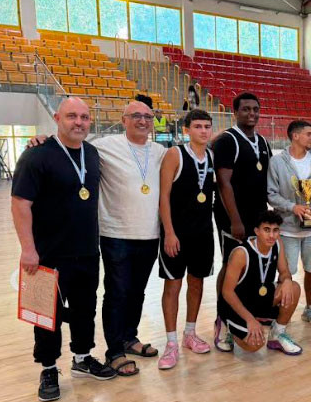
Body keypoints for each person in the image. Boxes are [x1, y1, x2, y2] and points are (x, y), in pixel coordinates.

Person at [12, 97, 116, 402]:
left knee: (85, 309)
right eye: (72, 116)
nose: (79, 122)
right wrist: (27, 249)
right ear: (57, 118)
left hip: (87, 251)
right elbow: (20, 204)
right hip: (46, 254)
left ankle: (82, 358)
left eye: (84, 117)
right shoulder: (36, 155)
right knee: (46, 315)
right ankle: (48, 368)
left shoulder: (92, 154)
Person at [95, 101, 168, 375]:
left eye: (148, 116)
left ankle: (129, 337)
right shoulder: (105, 146)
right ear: (123, 119)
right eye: (136, 115)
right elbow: (70, 146)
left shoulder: (159, 151)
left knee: (137, 291)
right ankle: (114, 351)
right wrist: (42, 139)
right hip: (116, 234)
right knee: (117, 293)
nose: (143, 120)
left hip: (149, 234)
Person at [212, 92, 272, 351]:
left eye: (255, 109)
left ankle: (245, 314)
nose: (252, 113)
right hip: (233, 218)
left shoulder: (263, 142)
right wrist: (235, 220)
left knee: (250, 267)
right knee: (230, 267)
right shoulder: (227, 140)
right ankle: (223, 321)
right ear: (235, 112)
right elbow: (223, 182)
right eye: (246, 109)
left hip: (257, 217)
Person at [157, 109, 216, 370]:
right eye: (198, 126)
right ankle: (171, 343)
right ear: (186, 130)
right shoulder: (175, 154)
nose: (203, 131)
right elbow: (163, 196)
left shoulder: (211, 156)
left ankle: (189, 333)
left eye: (207, 126)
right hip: (177, 234)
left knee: (197, 283)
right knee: (173, 285)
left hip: (203, 234)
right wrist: (169, 232)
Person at [267, 120, 311, 327]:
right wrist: (292, 207)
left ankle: (310, 309)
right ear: (295, 136)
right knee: (286, 273)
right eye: (309, 134)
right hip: (287, 229)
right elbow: (271, 194)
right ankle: (278, 313)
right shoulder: (277, 162)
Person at [219, 211, 303, 355]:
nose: (271, 235)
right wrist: (250, 320)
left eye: (275, 230)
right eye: (266, 230)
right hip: (238, 305)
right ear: (257, 231)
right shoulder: (241, 253)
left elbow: (284, 271)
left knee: (293, 288)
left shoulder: (277, 243)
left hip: (260, 299)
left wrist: (287, 280)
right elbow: (227, 292)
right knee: (255, 345)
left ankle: (277, 334)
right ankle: (227, 327)